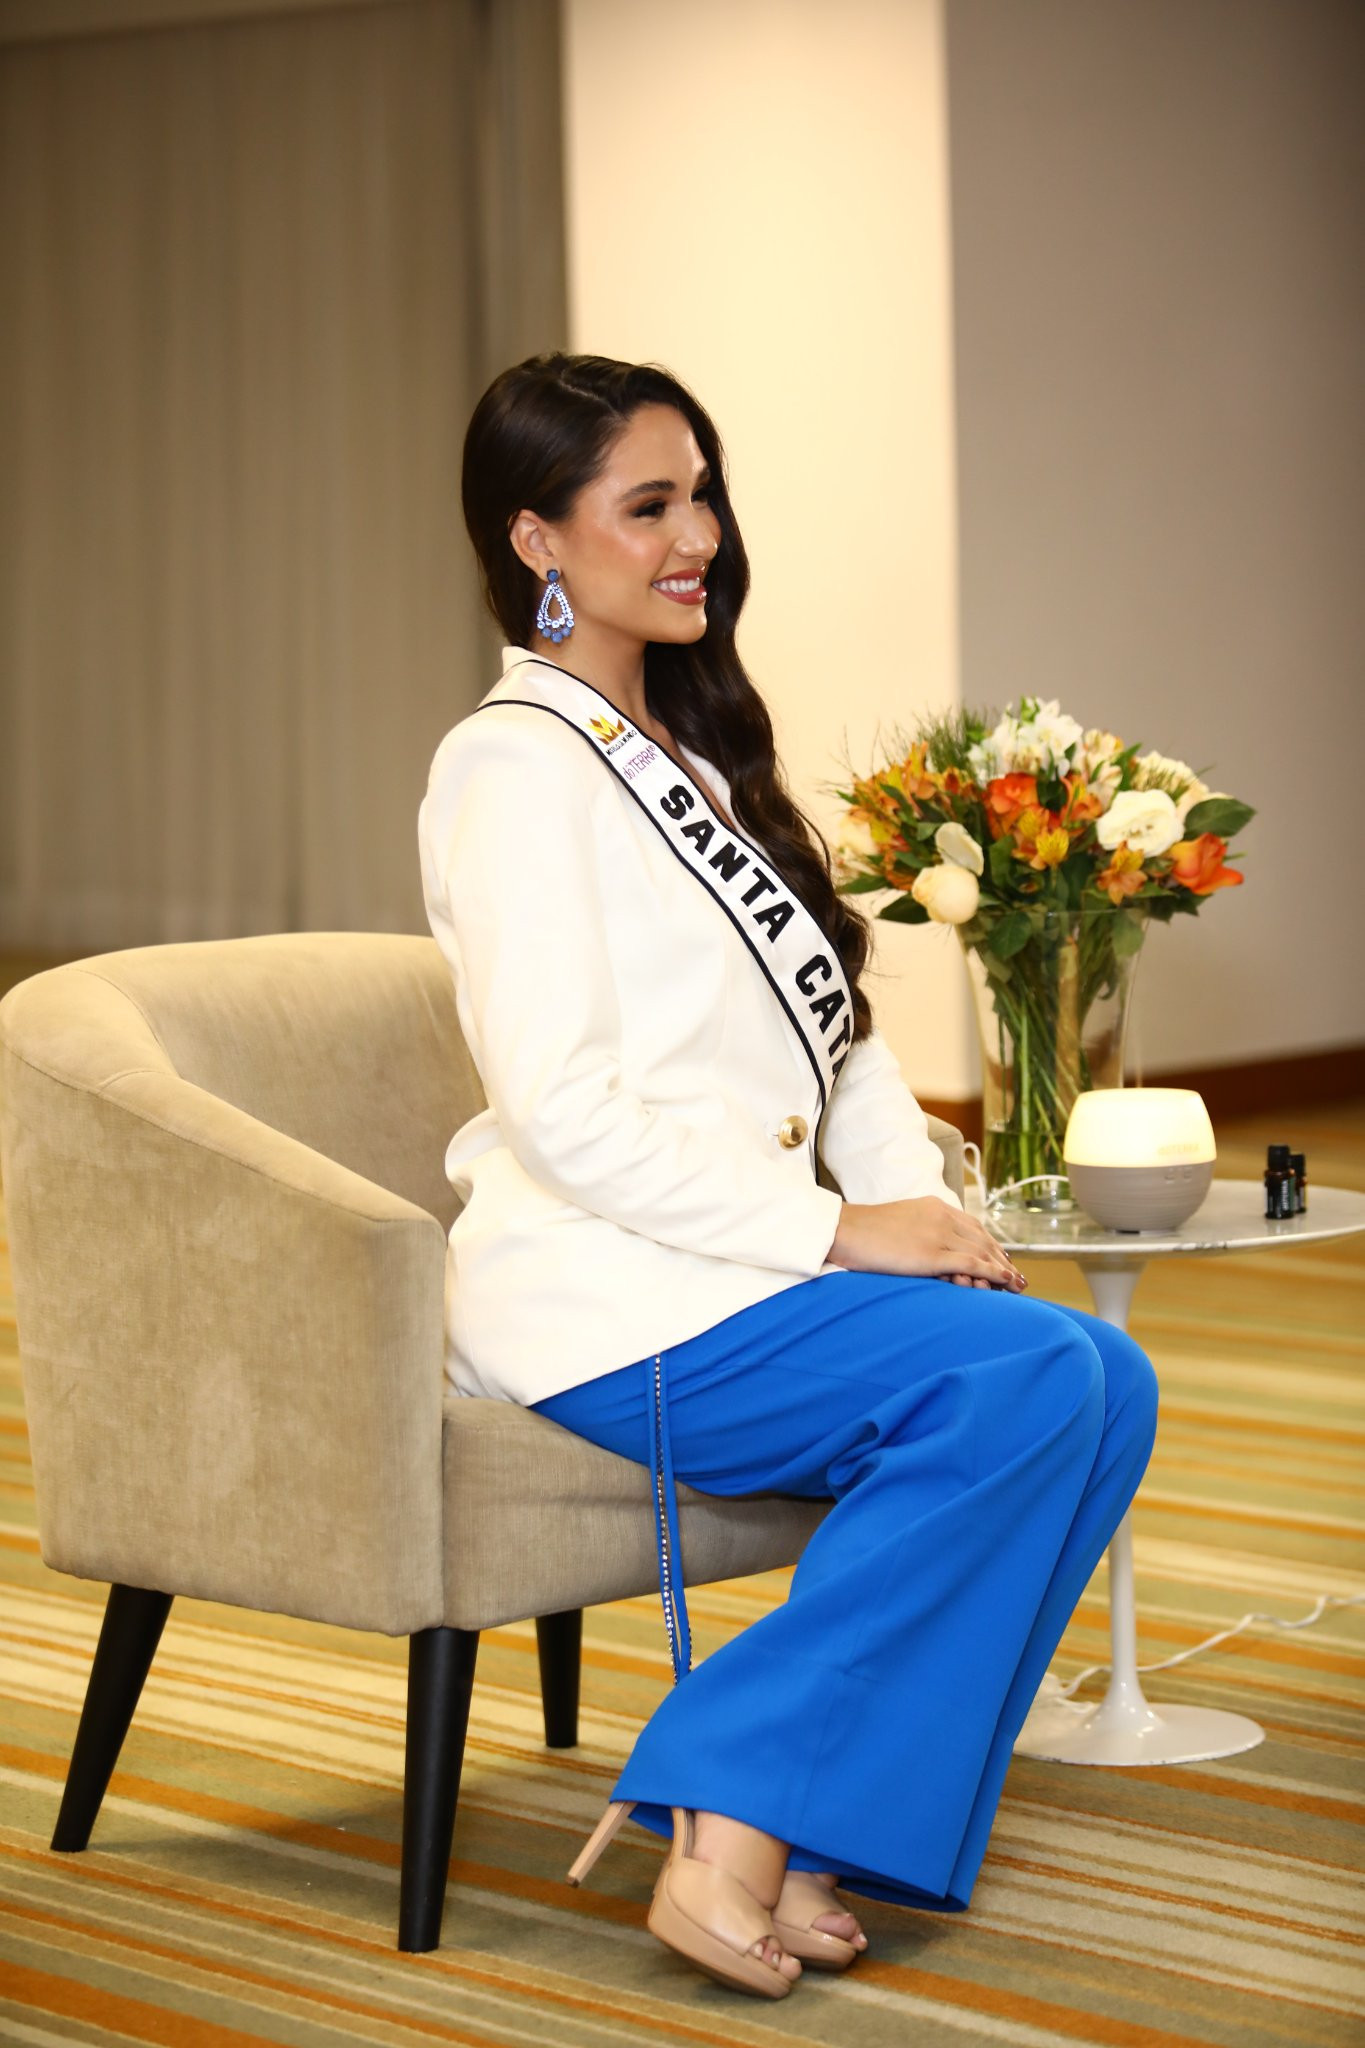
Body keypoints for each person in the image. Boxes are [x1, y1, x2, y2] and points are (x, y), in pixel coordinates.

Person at [417, 351, 1158, 2000]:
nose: (700, 535)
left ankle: (801, 1820)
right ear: (539, 540)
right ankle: (734, 1797)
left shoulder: (681, 751)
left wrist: (928, 1222)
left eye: (704, 494)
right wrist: (839, 1230)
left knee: (1101, 1374)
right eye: (650, 504)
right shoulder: (514, 770)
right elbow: (563, 1114)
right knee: (1033, 1381)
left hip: (737, 1264)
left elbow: (843, 1049)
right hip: (611, 1292)